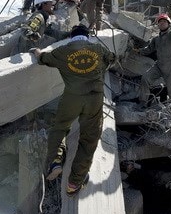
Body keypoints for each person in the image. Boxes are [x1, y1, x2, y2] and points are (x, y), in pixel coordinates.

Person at [31, 25, 115, 196]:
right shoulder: (98, 48)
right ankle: (74, 183)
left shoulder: (63, 51)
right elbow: (111, 59)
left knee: (60, 127)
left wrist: (37, 51)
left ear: (71, 37)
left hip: (72, 97)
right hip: (94, 98)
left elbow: (43, 59)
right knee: (89, 139)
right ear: (87, 36)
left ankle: (55, 161)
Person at [138, 6, 171, 105]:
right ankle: (143, 103)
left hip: (170, 65)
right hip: (159, 65)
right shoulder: (156, 39)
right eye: (160, 22)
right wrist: (137, 51)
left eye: (164, 22)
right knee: (145, 78)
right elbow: (148, 50)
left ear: (168, 24)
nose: (162, 23)